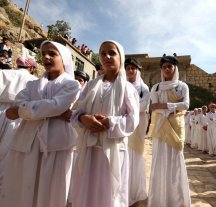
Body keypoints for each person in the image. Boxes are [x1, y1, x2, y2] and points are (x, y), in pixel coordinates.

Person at [0, 41, 81, 207]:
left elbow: (56, 105)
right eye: (44, 53)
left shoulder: (72, 85)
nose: (46, 57)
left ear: (64, 58)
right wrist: (52, 111)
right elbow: (21, 102)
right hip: (26, 142)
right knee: (20, 189)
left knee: (48, 193)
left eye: (52, 53)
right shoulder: (32, 85)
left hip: (54, 146)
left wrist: (22, 111)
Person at [71, 40, 139, 207]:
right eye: (103, 53)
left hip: (113, 149)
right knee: (87, 190)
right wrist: (83, 119)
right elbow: (76, 111)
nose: (107, 56)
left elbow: (132, 120)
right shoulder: (91, 85)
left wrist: (110, 122)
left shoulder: (128, 88)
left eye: (112, 53)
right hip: (89, 148)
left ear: (120, 57)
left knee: (110, 194)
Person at [147, 54, 191, 207]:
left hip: (175, 127)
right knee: (159, 160)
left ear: (175, 68)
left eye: (169, 67)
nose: (166, 69)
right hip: (161, 127)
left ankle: (176, 200)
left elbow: (186, 105)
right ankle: (159, 199)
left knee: (175, 160)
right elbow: (153, 106)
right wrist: (172, 107)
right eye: (164, 67)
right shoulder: (156, 87)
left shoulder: (182, 86)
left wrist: (165, 106)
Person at [0, 57, 38, 192]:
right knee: (6, 156)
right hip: (16, 116)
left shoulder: (4, 73)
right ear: (32, 68)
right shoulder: (34, 81)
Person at [125, 58, 150, 206]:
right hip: (124, 123)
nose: (130, 71)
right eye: (127, 68)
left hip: (138, 124)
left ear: (138, 70)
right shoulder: (122, 86)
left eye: (132, 68)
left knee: (135, 154)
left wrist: (128, 108)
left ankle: (134, 190)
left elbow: (143, 105)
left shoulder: (143, 88)